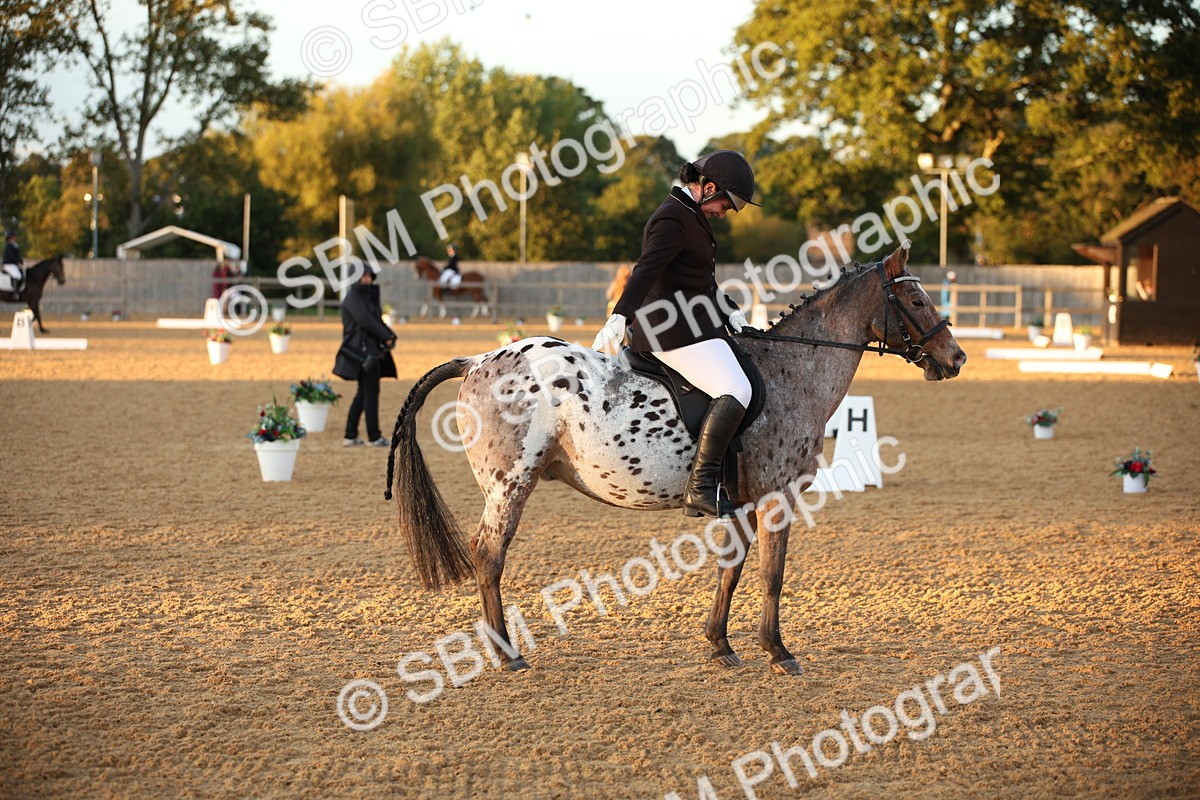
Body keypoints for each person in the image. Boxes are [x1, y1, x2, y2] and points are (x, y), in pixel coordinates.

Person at [592, 150, 760, 519]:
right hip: (666, 331)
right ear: (708, 187)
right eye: (726, 205)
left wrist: (729, 310)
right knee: (737, 389)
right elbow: (646, 271)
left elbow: (701, 281)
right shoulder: (672, 217)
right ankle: (700, 488)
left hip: (694, 325)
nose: (726, 213)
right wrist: (620, 316)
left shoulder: (692, 217)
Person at [333, 267, 397, 447]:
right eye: (364, 276)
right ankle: (374, 436)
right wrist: (385, 335)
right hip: (362, 352)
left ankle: (350, 434)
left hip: (370, 349)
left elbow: (375, 319)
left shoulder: (366, 297)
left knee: (364, 392)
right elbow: (365, 320)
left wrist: (390, 334)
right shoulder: (353, 298)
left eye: (369, 276)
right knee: (370, 393)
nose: (368, 280)